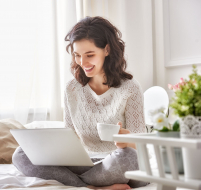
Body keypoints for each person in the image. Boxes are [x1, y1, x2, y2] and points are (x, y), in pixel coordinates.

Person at [12, 16, 149, 189]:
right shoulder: (72, 89)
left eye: (89, 55)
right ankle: (93, 187)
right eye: (77, 55)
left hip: (123, 163)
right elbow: (70, 138)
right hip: (88, 163)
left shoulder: (130, 88)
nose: (82, 63)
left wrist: (126, 140)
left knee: (128, 156)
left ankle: (80, 184)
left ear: (107, 50)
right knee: (20, 154)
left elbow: (140, 146)